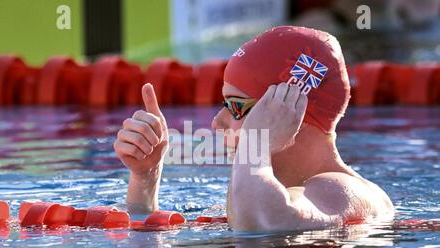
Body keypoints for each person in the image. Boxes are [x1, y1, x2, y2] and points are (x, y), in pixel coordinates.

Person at [114, 26, 395, 232]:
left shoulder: (342, 188)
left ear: (289, 110)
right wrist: (145, 179)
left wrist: (254, 144)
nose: (217, 121)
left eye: (236, 106)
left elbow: (260, 227)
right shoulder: (272, 188)